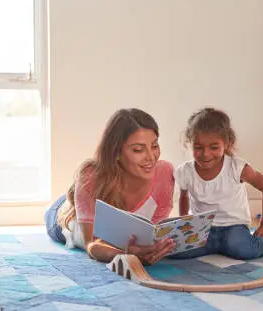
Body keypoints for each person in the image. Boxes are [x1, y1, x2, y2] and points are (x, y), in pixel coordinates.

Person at [45, 108, 176, 265]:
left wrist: (156, 248)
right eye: (138, 150)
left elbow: (155, 232)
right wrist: (127, 255)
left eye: (154, 146)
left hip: (88, 199)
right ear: (117, 153)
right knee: (66, 207)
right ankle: (73, 197)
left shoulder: (165, 173)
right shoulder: (90, 178)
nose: (151, 157)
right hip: (65, 219)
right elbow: (91, 246)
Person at [173, 107, 263, 260]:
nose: (206, 154)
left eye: (214, 147)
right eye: (198, 147)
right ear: (191, 144)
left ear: (227, 144)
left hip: (234, 227)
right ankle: (217, 246)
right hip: (203, 228)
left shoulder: (237, 167)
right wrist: (183, 223)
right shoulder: (185, 171)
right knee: (176, 252)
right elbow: (184, 196)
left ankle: (262, 243)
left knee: (243, 249)